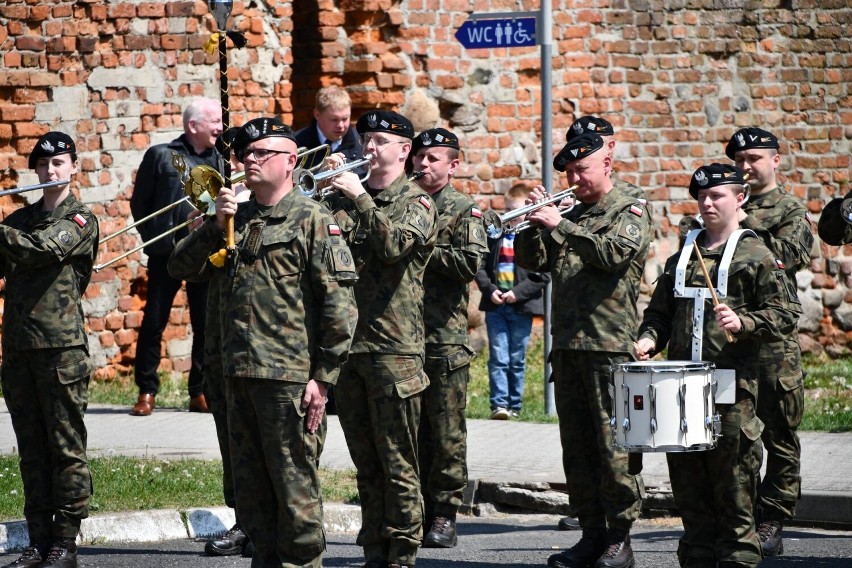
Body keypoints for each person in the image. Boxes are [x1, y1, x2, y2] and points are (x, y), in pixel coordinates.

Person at [167, 117, 358, 567]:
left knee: (296, 498)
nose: (248, 160)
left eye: (261, 153)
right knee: (252, 501)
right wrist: (214, 225)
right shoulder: (237, 220)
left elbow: (340, 307)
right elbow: (179, 267)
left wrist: (324, 379)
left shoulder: (313, 220)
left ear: (291, 161)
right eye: (246, 154)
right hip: (236, 377)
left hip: (288, 381)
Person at [635, 163, 801, 568]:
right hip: (680, 387)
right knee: (689, 489)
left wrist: (745, 322)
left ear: (739, 199)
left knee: (734, 486)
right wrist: (650, 339)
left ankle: (739, 558)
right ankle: (695, 556)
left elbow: (785, 313)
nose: (707, 203)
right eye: (702, 197)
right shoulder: (684, 254)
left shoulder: (756, 251)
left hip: (732, 389)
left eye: (717, 196)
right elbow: (659, 312)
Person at [515, 132, 650, 568]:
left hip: (610, 347)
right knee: (577, 451)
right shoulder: (568, 211)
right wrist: (534, 225)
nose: (574, 179)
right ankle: (591, 533)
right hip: (569, 347)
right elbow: (534, 263)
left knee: (614, 451)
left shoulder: (630, 206)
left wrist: (561, 225)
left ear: (606, 165)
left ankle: (620, 538)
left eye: (581, 170)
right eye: (568, 172)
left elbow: (612, 254)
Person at [321, 109, 437, 568]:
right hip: (350, 348)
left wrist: (360, 201)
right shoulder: (346, 199)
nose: (368, 148)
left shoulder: (418, 201)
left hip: (395, 351)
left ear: (404, 150)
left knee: (398, 464)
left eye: (379, 142)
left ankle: (403, 555)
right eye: (366, 140)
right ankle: (374, 549)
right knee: (365, 464)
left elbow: (393, 249)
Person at [0, 132, 98, 568]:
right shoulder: (18, 222)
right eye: (42, 164)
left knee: (65, 446)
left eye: (58, 163)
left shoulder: (80, 220)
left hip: (61, 351)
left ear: (74, 167)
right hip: (19, 348)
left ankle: (66, 538)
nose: (50, 170)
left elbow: (43, 251)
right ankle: (38, 538)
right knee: (31, 448)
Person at [726, 127, 812, 556]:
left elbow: (787, 257)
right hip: (730, 337)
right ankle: (741, 515)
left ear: (775, 160)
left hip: (773, 340)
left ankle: (773, 518)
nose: (746, 167)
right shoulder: (725, 201)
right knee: (738, 435)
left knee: (779, 433)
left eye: (755, 159)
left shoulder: (790, 209)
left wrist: (746, 224)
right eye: (740, 161)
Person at [409, 128, 488, 548]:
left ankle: (444, 513)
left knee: (444, 432)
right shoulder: (402, 201)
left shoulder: (463, 209)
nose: (423, 164)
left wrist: (420, 246)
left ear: (453, 165)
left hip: (443, 337)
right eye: (419, 156)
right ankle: (412, 509)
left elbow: (468, 262)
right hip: (401, 336)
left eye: (433, 158)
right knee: (408, 431)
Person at [128, 97, 223, 416]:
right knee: (154, 320)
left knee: (205, 323)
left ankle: (199, 391)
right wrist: (154, 238)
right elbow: (139, 204)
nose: (220, 127)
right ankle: (147, 391)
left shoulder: (221, 158)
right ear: (193, 125)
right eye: (214, 122)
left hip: (204, 252)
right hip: (166, 253)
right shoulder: (160, 155)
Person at [191, 127, 253, 558]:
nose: (238, 167)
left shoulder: (285, 209)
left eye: (246, 156)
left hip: (264, 351)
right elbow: (181, 266)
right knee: (230, 436)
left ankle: (271, 522)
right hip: (218, 346)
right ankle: (243, 518)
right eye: (232, 159)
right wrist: (209, 226)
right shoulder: (217, 209)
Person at [474, 183, 550, 420]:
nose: (511, 217)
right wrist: (489, 290)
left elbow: (543, 274)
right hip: (496, 305)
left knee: (517, 357)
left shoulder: (533, 237)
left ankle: (515, 406)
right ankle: (499, 405)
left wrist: (518, 292)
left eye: (516, 211)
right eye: (508, 210)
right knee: (498, 355)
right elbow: (479, 265)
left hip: (521, 305)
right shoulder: (496, 236)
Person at [295, 86, 364, 171]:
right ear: (317, 114)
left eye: (345, 118)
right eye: (334, 120)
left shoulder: (363, 143)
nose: (341, 125)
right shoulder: (296, 143)